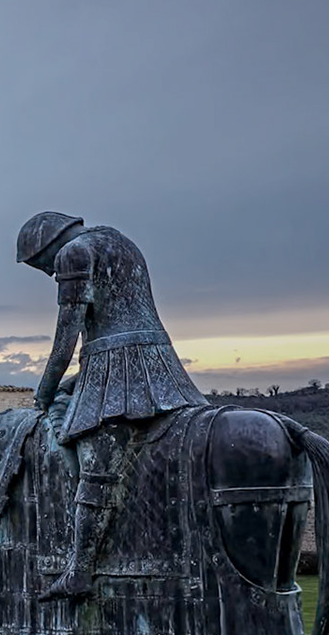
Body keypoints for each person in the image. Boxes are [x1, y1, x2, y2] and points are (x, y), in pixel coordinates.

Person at [17, 211, 206, 600]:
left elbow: (66, 336)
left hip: (118, 366)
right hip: (153, 359)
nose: (52, 274)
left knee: (95, 465)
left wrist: (45, 389)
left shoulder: (74, 253)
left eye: (44, 267)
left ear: (49, 246)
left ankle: (79, 570)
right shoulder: (117, 239)